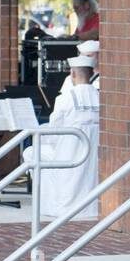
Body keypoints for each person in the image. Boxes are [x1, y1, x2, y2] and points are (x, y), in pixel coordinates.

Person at [27, 56, 100, 219]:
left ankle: (50, 203)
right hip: (93, 158)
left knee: (31, 152)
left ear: (72, 74)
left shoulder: (65, 98)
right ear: (91, 74)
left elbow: (53, 132)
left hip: (68, 155)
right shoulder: (101, 97)